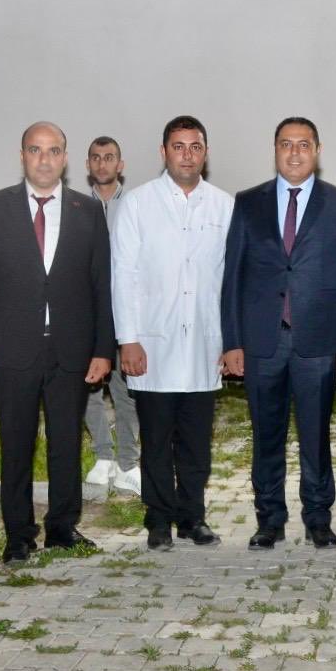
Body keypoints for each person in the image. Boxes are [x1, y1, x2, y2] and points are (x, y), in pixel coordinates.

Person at [0, 122, 114, 564]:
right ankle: (18, 534)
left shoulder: (87, 211)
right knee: (16, 443)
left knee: (66, 442)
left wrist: (102, 349)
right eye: (35, 150)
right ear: (22, 156)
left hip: (70, 349)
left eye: (53, 150)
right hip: (12, 348)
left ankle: (62, 528)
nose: (44, 159)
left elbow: (101, 284)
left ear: (65, 159)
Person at [221, 117, 336, 550]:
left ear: (317, 151)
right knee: (267, 435)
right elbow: (232, 276)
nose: (294, 152)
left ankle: (318, 517)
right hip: (262, 341)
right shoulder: (249, 202)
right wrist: (232, 342)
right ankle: (270, 519)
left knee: (315, 436)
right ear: (275, 150)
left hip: (318, 340)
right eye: (286, 144)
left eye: (303, 144)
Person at [111, 116, 234, 552]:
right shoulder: (138, 204)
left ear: (206, 153)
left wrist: (232, 341)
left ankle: (192, 517)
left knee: (197, 442)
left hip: (204, 344)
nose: (187, 155)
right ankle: (159, 519)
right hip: (152, 344)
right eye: (178, 147)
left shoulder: (224, 206)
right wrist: (128, 338)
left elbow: (231, 280)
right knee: (157, 440)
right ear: (163, 152)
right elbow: (123, 274)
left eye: (195, 147)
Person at [82, 135, 140, 496]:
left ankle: (128, 464)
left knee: (126, 389)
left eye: (109, 157)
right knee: (88, 386)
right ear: (87, 165)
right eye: (96, 157)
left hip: (125, 312)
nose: (102, 163)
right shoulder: (75, 207)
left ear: (120, 164)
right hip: (87, 313)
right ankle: (103, 456)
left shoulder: (136, 206)